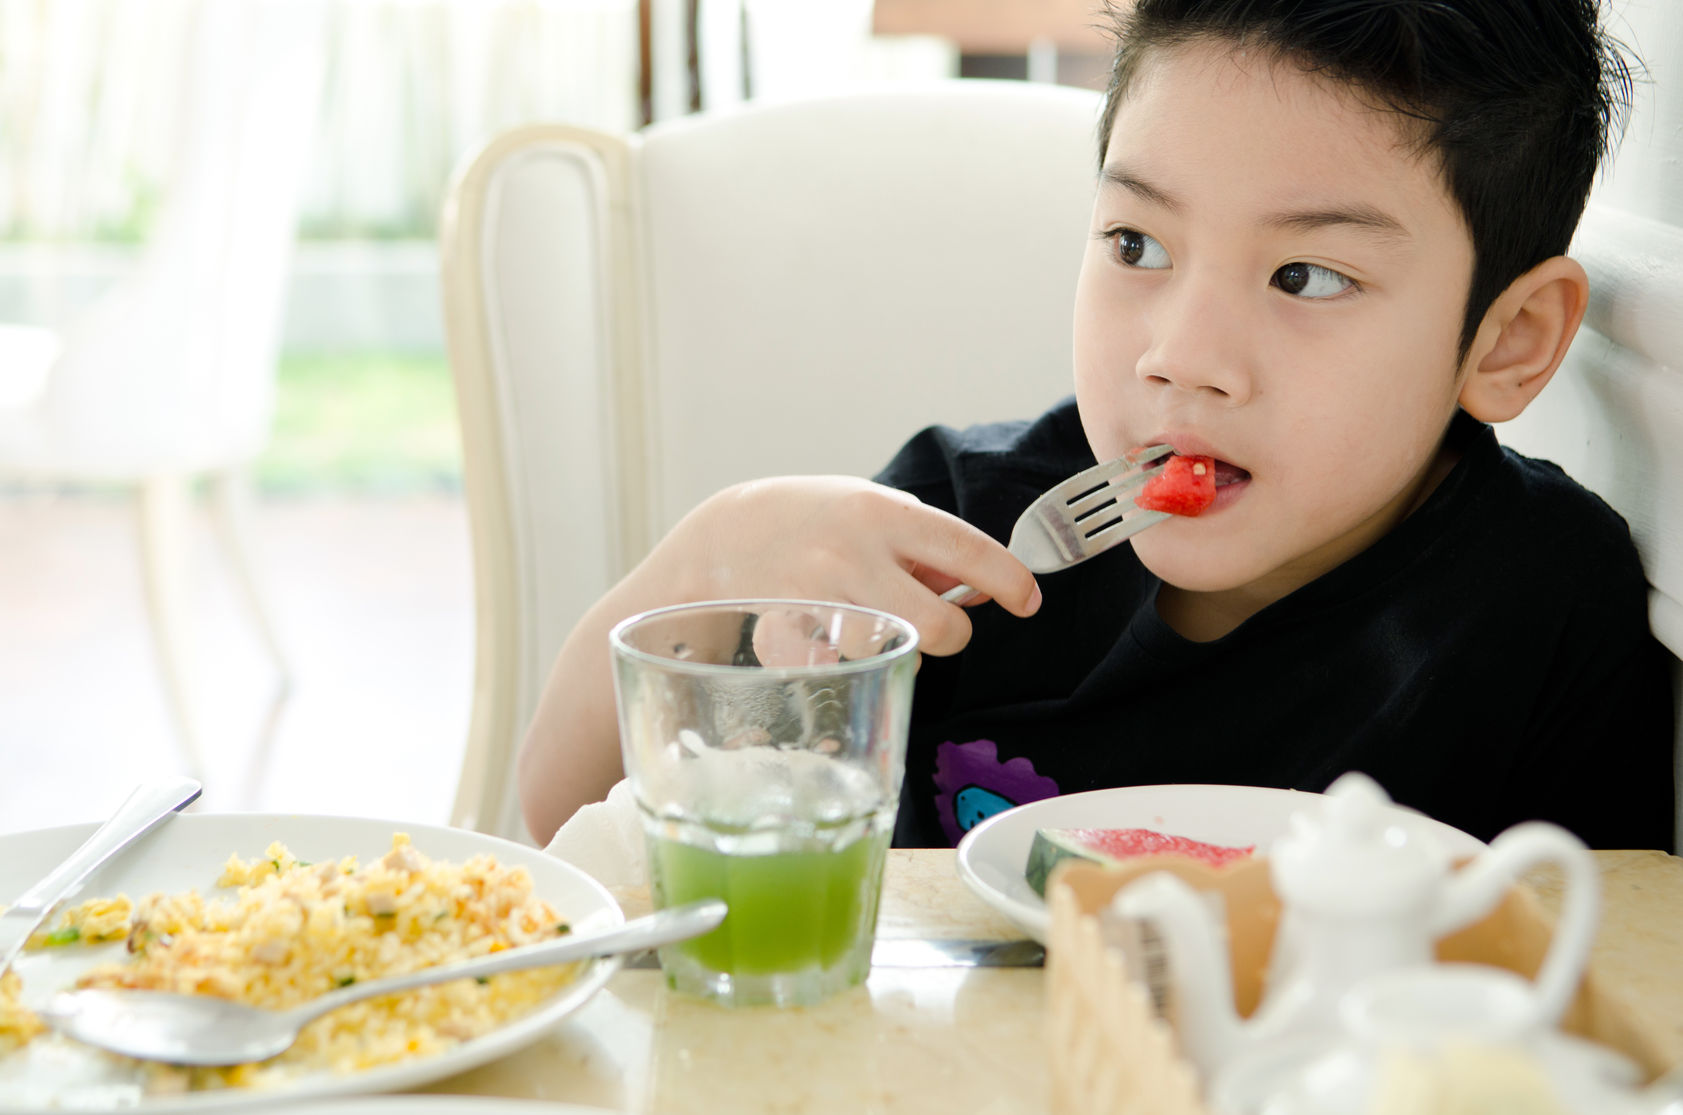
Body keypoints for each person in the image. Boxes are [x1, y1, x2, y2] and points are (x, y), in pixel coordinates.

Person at [520, 0, 1676, 852]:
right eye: (1138, 246)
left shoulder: (1545, 602)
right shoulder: (948, 535)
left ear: (1509, 339)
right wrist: (711, 561)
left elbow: (1603, 967)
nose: (1181, 353)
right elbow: (562, 825)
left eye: (1307, 277)